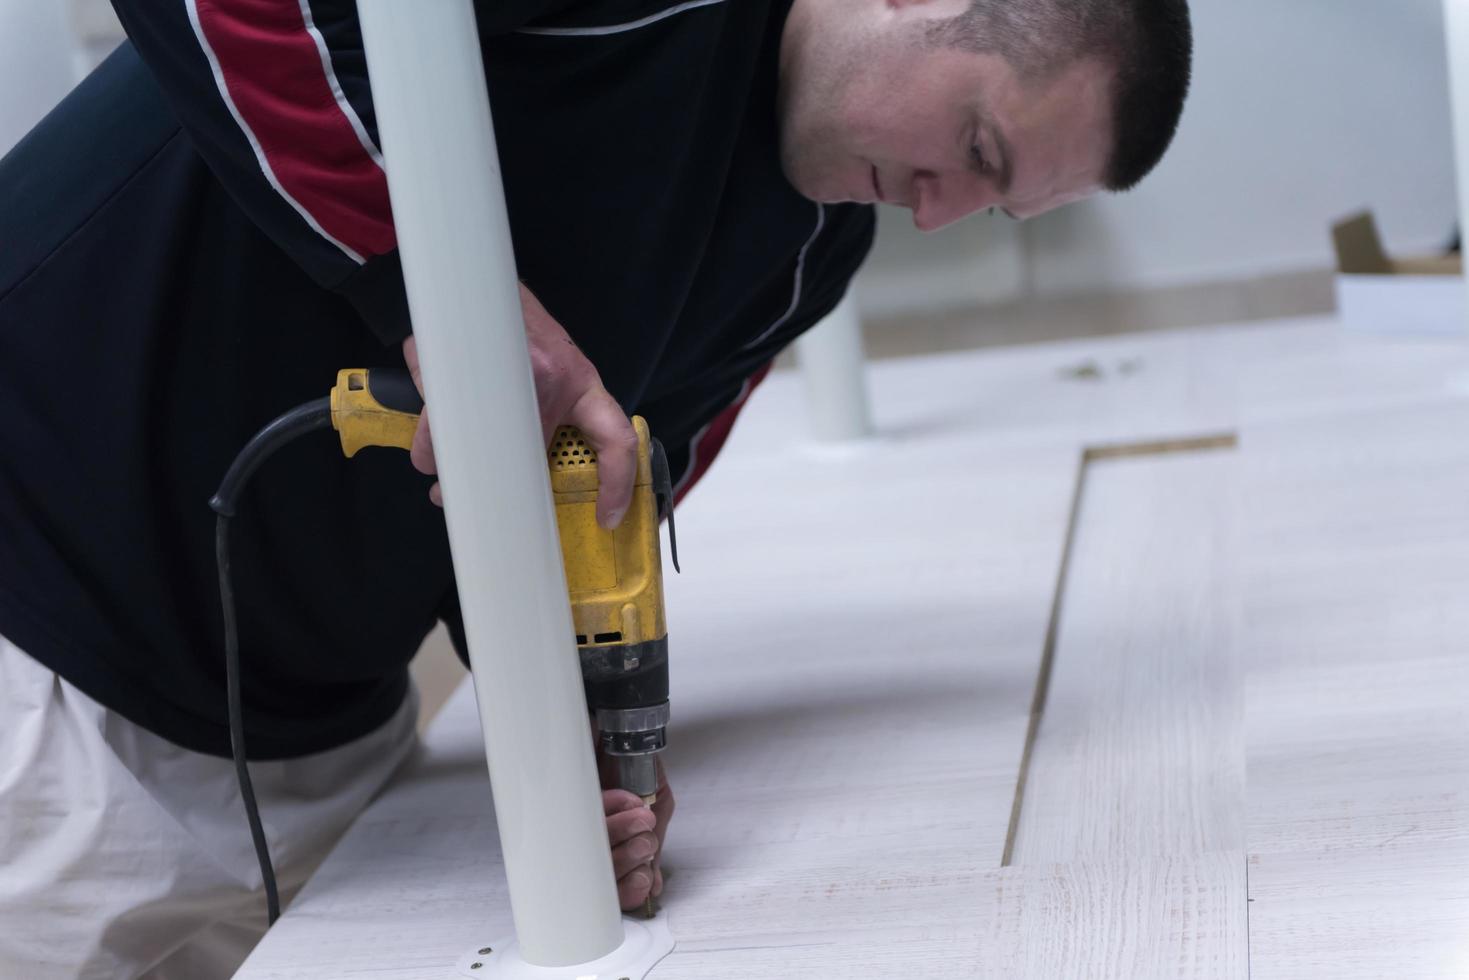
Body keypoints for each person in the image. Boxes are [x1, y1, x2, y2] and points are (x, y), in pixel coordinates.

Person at [0, 0, 1192, 975]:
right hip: (44, 653)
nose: (939, 214)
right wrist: (443, 300)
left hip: (314, 742)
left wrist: (578, 752)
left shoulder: (807, 255)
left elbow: (583, 506)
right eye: (977, 149)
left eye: (994, 200)